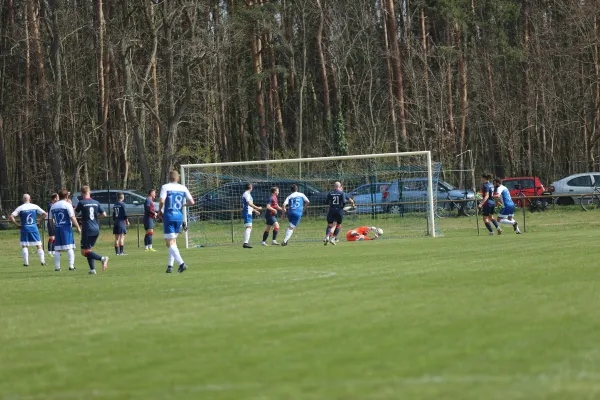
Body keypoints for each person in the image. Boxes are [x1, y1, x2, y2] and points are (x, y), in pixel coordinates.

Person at [158, 170, 195, 273]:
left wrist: (160, 211)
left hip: (169, 216)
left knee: (169, 243)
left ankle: (181, 264)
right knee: (173, 242)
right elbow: (192, 202)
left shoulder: (165, 187)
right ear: (178, 178)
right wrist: (183, 205)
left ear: (169, 178)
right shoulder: (183, 188)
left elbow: (161, 201)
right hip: (179, 217)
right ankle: (170, 266)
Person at [74, 186, 109, 274]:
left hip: (87, 229)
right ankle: (92, 269)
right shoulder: (96, 202)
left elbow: (74, 214)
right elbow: (104, 214)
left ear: (81, 193)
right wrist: (96, 218)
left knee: (84, 252)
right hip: (96, 228)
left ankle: (102, 258)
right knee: (89, 249)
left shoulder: (81, 203)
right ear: (89, 192)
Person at [9, 194, 48, 267]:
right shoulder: (34, 206)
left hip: (24, 228)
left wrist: (17, 224)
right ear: (30, 199)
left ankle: (26, 263)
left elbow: (11, 216)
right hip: (33, 228)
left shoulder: (20, 208)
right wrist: (39, 221)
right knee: (38, 245)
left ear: (23, 200)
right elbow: (45, 214)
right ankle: (42, 261)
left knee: (24, 245)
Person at [50, 189, 81, 271]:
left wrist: (53, 228)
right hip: (66, 228)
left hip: (57, 228)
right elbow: (72, 217)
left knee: (57, 249)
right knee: (70, 247)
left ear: (59, 196)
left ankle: (57, 267)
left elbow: (50, 219)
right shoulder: (67, 205)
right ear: (67, 196)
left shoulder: (53, 206)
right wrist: (78, 227)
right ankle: (71, 266)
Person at [241, 183, 262, 249]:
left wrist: (255, 211)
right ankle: (245, 243)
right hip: (247, 212)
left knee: (249, 227)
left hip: (248, 212)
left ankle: (245, 242)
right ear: (250, 187)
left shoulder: (248, 194)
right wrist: (257, 207)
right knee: (249, 227)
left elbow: (249, 205)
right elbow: (249, 203)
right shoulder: (246, 194)